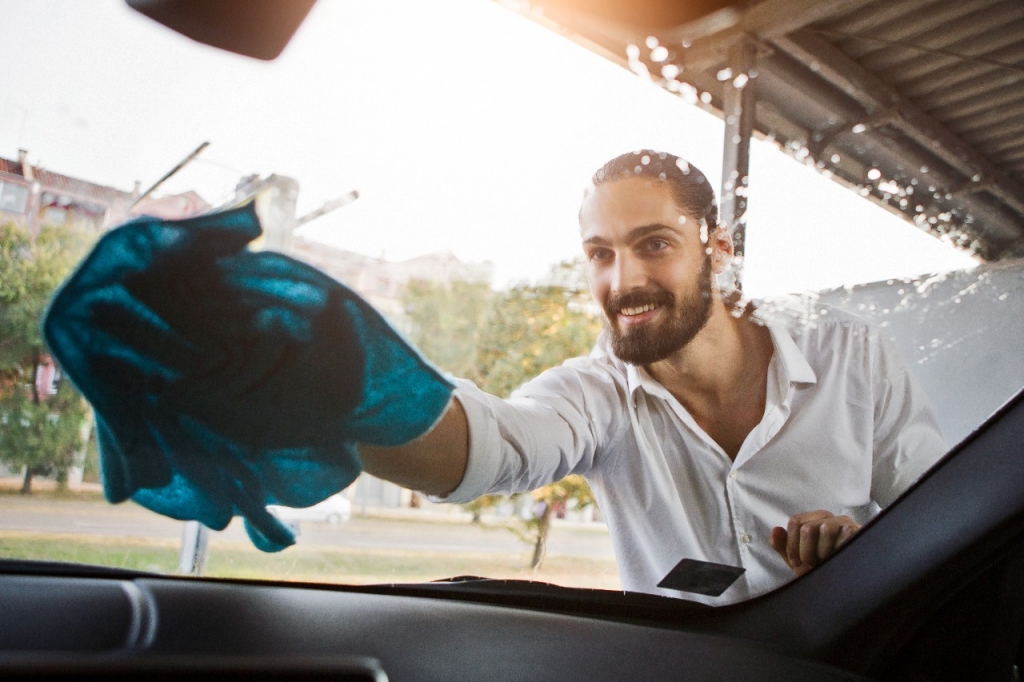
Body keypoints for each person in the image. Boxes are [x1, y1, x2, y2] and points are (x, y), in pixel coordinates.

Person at [359, 150, 947, 605]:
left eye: (655, 244)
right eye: (600, 254)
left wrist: (863, 554)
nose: (623, 282)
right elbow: (489, 445)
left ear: (717, 248)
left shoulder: (852, 355)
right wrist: (332, 398)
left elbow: (944, 526)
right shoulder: (594, 394)